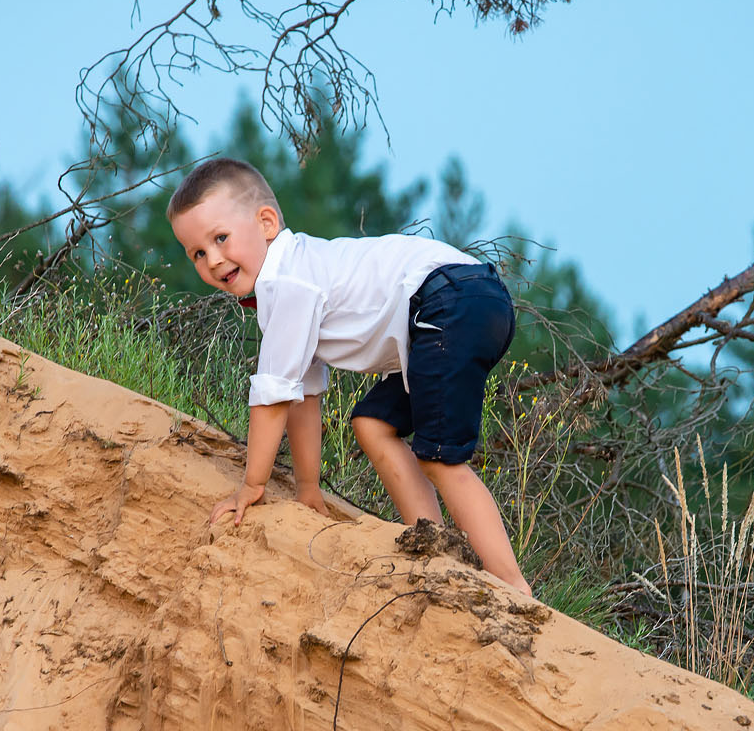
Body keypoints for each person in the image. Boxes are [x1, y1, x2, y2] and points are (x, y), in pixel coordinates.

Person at [167, 155, 532, 595]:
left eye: (221, 238)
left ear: (266, 222)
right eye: (198, 253)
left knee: (439, 456)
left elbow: (273, 397)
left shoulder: (289, 281)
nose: (213, 260)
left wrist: (252, 486)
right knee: (373, 423)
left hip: (448, 300)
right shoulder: (296, 276)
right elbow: (303, 392)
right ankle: (436, 549)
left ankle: (512, 588)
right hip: (467, 299)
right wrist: (307, 487)